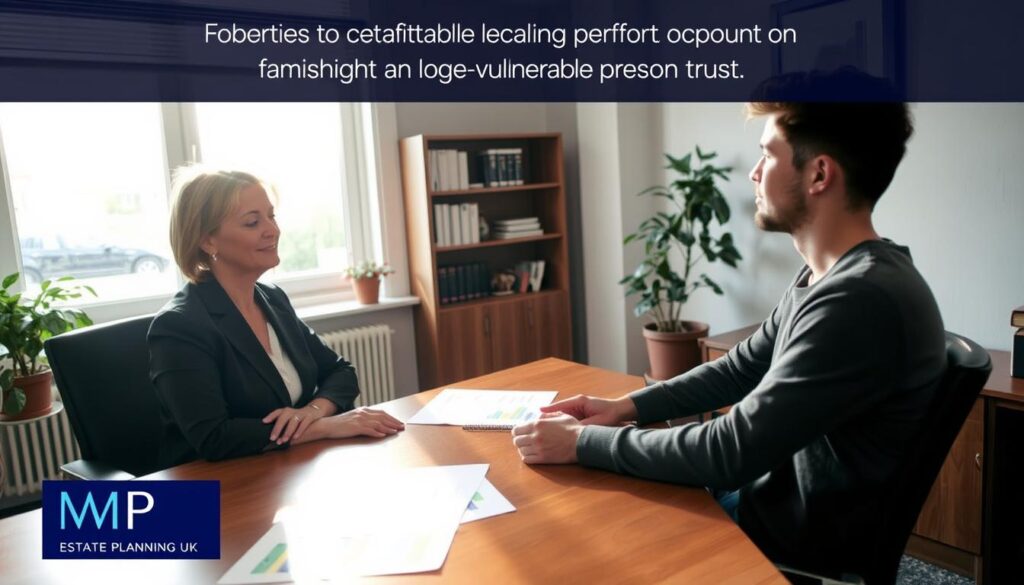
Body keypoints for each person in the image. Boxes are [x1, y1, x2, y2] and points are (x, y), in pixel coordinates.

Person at [511, 69, 946, 572]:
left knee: (575, 547)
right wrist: (622, 408)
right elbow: (741, 368)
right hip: (767, 508)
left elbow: (731, 449)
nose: (754, 173)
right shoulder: (833, 276)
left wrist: (582, 441)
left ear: (819, 174)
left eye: (768, 154)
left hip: (785, 549)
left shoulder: (859, 299)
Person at [149, 167, 404, 468]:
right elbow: (214, 437)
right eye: (253, 222)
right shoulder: (179, 327)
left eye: (272, 216)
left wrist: (312, 411)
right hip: (213, 492)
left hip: (284, 469)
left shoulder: (272, 299)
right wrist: (325, 427)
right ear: (208, 242)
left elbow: (340, 372)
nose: (272, 230)